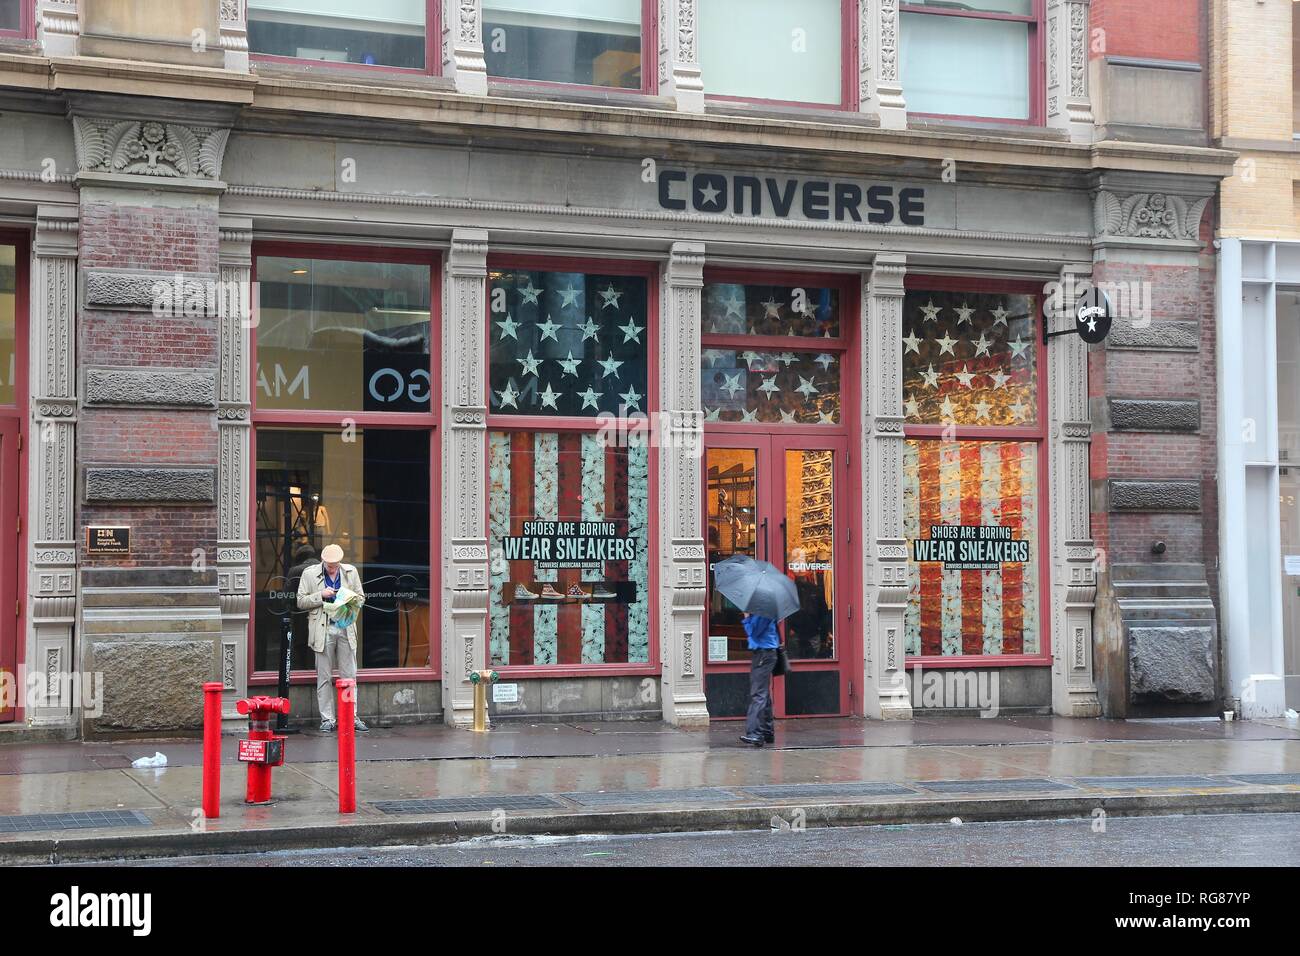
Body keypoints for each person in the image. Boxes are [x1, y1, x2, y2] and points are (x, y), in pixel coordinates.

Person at [297, 543, 368, 733]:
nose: (332, 568)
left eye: (335, 565)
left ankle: (350, 716)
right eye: (329, 565)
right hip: (323, 629)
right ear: (323, 560)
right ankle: (327, 719)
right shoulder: (310, 574)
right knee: (324, 677)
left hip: (345, 627)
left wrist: (347, 598)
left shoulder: (350, 572)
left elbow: (361, 598)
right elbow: (300, 601)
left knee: (349, 676)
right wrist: (321, 595)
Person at [739, 611, 779, 747]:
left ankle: (755, 733)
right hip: (765, 653)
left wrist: (746, 618)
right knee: (763, 693)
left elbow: (753, 632)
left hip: (763, 654)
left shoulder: (763, 611)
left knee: (758, 694)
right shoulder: (765, 609)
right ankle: (767, 731)